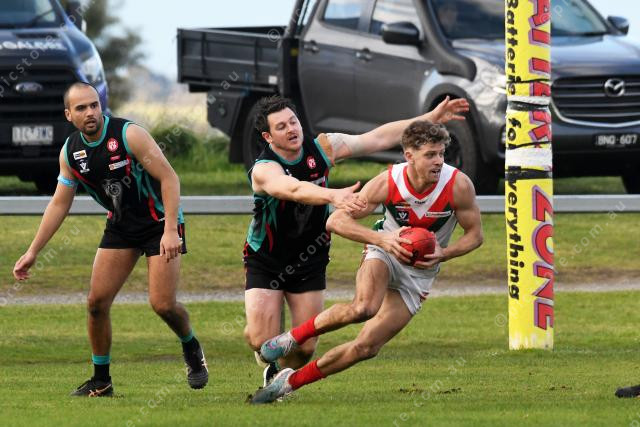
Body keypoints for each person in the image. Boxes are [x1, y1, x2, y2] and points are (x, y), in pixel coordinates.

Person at [250, 120, 483, 403]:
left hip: (420, 274)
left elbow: (475, 235)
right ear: (409, 155)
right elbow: (336, 220)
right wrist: (383, 241)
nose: (438, 161)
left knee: (367, 348)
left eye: (441, 154)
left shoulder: (457, 185)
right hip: (383, 253)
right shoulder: (389, 182)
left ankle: (287, 383)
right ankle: (290, 338)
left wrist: (444, 253)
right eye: (430, 155)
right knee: (363, 308)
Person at [12, 82, 208, 397]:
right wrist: (33, 251)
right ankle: (101, 381)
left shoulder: (129, 135)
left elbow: (169, 178)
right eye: (81, 108)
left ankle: (191, 346)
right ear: (68, 114)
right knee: (96, 303)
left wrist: (171, 229)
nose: (90, 112)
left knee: (163, 304)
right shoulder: (70, 152)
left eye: (94, 104)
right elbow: (60, 203)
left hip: (159, 222)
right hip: (120, 227)